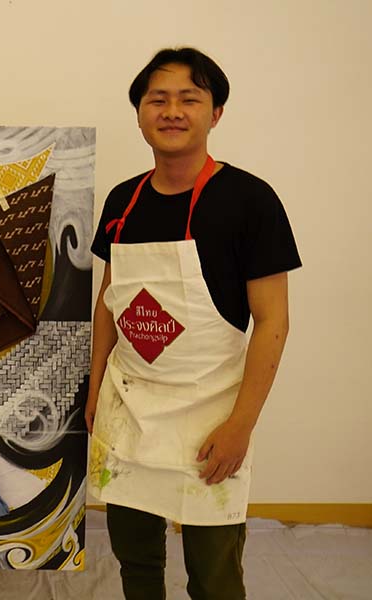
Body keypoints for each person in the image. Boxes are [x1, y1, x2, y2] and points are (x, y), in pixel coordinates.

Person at [86, 47, 301, 600]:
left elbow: (273, 322)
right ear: (139, 113)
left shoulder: (250, 201)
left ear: (216, 113)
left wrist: (241, 425)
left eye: (189, 98)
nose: (172, 111)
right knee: (134, 557)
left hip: (212, 412)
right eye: (157, 99)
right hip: (129, 406)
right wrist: (95, 384)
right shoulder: (123, 201)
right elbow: (111, 298)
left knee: (214, 572)